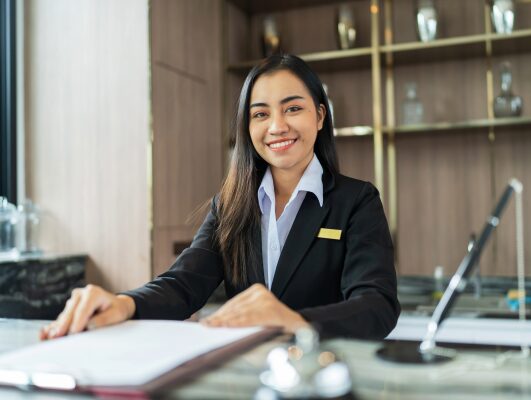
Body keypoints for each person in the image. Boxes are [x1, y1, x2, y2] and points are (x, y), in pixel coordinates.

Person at [40, 54, 400, 341]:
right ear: (248, 127)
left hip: (324, 377)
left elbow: (377, 305)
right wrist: (123, 303)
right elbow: (183, 285)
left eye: (293, 108)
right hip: (247, 378)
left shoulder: (357, 201)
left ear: (320, 116)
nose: (277, 126)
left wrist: (293, 320)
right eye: (260, 114)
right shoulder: (231, 205)